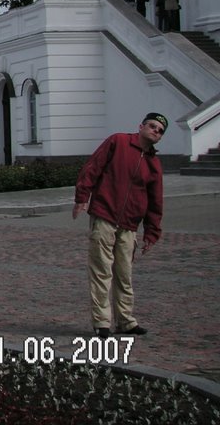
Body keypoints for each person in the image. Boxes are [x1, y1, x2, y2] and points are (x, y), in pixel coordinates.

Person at [72, 113, 166, 339]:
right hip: (105, 216)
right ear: (141, 126)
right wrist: (82, 198)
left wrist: (152, 232)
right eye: (152, 126)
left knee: (124, 274)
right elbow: (92, 168)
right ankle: (101, 322)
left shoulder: (154, 165)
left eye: (160, 130)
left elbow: (156, 201)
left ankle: (125, 321)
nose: (155, 131)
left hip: (129, 224)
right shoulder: (118, 142)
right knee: (101, 272)